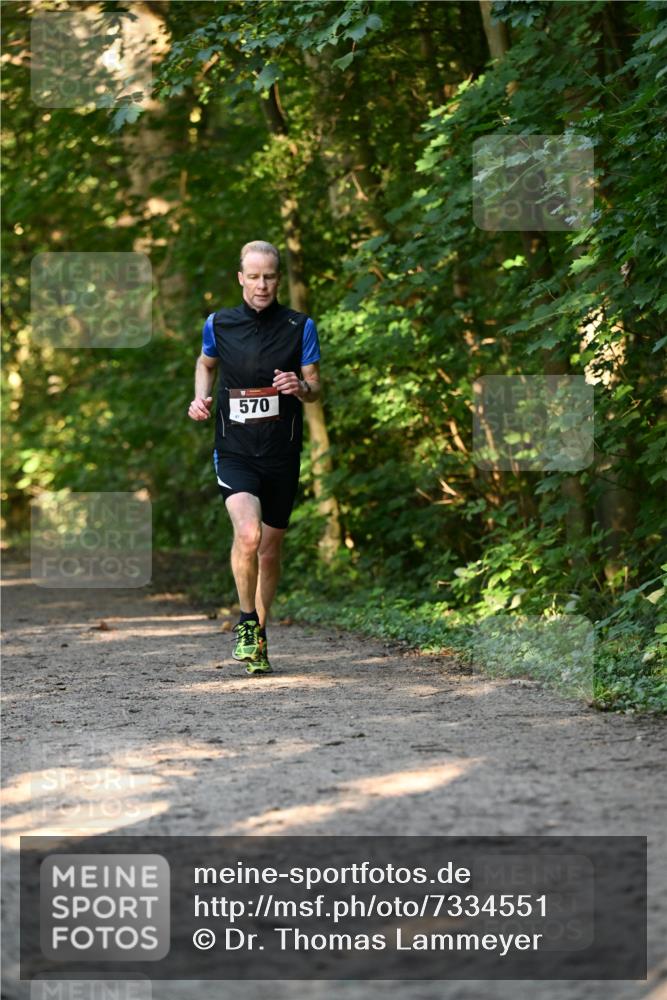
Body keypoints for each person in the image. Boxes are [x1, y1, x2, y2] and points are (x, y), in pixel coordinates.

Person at [188, 240, 321, 675]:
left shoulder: (300, 325)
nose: (262, 285)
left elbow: (316, 389)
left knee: (269, 548)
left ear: (278, 279)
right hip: (235, 449)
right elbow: (206, 364)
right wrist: (200, 399)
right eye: (254, 276)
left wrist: (299, 388)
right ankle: (246, 621)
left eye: (270, 276)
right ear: (241, 278)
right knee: (248, 535)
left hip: (282, 452)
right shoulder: (219, 324)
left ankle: (260, 636)